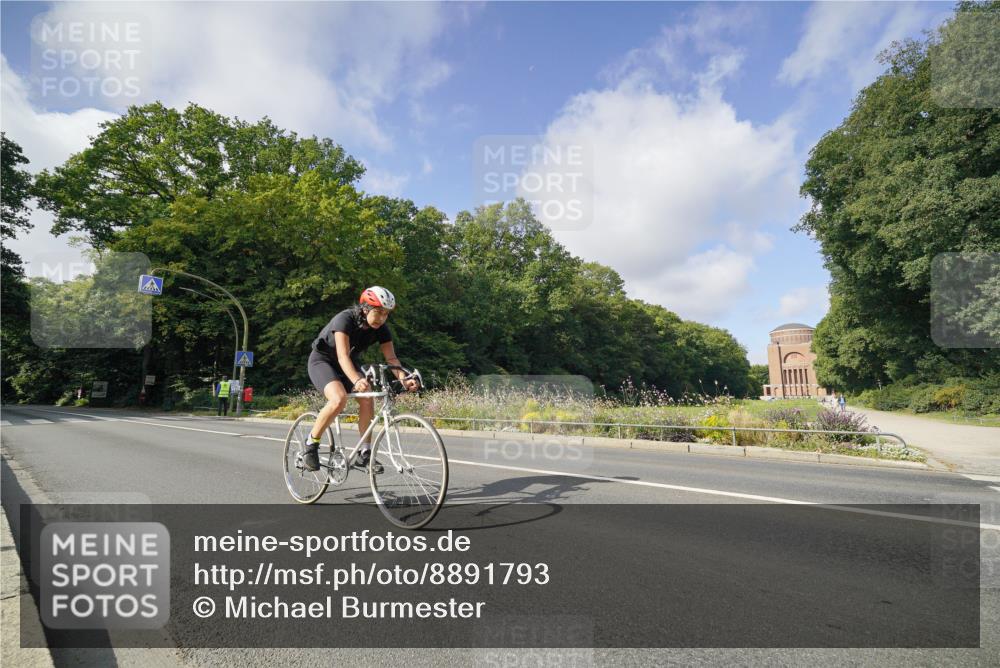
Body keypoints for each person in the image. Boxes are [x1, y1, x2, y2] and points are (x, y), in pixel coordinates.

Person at [303, 286, 420, 472]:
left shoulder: (381, 328)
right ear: (365, 308)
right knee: (338, 398)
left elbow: (391, 359)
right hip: (323, 361)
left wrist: (404, 379)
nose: (382, 318)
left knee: (367, 398)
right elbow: (342, 356)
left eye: (386, 314)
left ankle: (365, 454)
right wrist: (357, 380)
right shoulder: (345, 319)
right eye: (378, 312)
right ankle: (311, 444)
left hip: (349, 362)